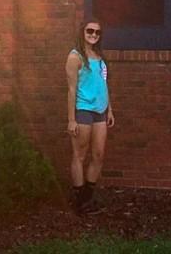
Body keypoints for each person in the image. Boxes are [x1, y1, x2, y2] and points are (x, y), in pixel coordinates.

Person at [65, 18, 115, 214]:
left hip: (100, 112)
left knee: (98, 155)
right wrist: (71, 119)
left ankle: (88, 197)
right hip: (83, 110)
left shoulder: (100, 57)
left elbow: (104, 85)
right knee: (80, 154)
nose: (93, 35)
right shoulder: (75, 57)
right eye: (90, 31)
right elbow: (71, 89)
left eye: (97, 32)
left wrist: (109, 109)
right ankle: (79, 200)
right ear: (82, 32)